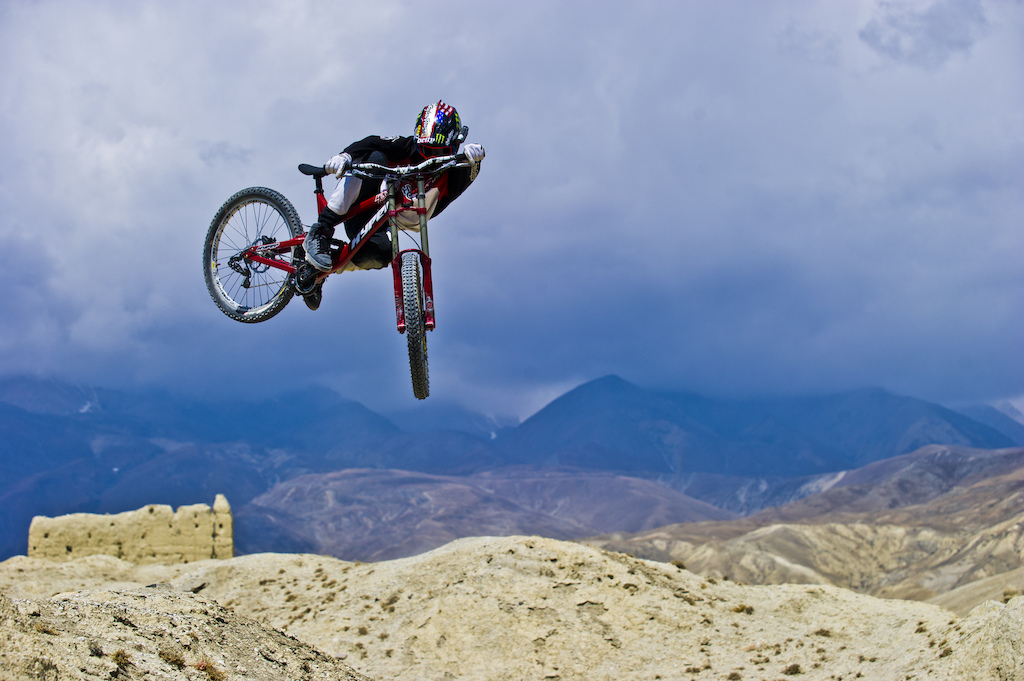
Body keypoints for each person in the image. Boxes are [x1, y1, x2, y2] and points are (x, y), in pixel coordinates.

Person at [298, 100, 485, 310]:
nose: (432, 158)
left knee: (384, 253)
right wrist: (344, 156)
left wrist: (474, 159)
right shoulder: (405, 147)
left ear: (455, 146)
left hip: (381, 225)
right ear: (417, 141)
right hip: (362, 204)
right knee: (375, 157)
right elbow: (373, 141)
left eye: (440, 152)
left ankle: (319, 271)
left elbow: (471, 168)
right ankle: (320, 231)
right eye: (425, 149)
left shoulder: (455, 172)